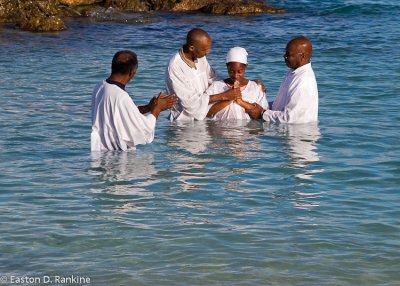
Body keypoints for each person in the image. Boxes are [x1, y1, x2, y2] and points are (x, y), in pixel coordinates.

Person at [91, 50, 176, 151]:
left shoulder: (100, 86)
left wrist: (148, 107)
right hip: (117, 156)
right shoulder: (121, 96)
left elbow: (121, 113)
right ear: (132, 72)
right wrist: (157, 110)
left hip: (100, 152)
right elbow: (143, 131)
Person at [165, 28, 241, 121]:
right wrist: (224, 95)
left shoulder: (200, 56)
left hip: (204, 116)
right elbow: (190, 102)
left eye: (208, 48)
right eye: (204, 50)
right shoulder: (175, 66)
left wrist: (246, 84)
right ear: (191, 48)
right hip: (183, 121)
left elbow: (214, 78)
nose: (207, 53)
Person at [247, 36, 318, 124]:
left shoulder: (304, 81)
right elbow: (280, 105)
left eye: (289, 54)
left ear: (302, 56)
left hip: (299, 135)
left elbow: (290, 118)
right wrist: (260, 104)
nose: (285, 57)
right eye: (285, 53)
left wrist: (262, 113)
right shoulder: (293, 72)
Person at [205, 47, 268, 120]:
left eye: (239, 72)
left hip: (246, 130)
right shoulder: (216, 86)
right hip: (221, 130)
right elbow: (204, 113)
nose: (235, 76)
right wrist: (228, 99)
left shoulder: (255, 88)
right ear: (227, 67)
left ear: (246, 67)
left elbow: (262, 114)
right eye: (231, 71)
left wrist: (240, 101)